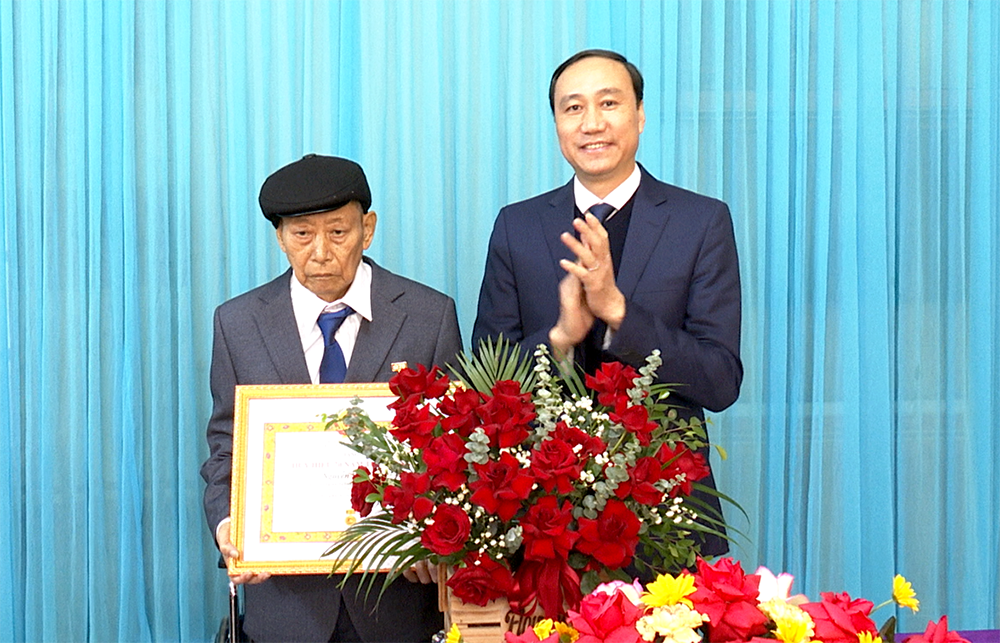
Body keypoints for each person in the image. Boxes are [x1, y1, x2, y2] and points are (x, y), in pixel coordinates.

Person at [472, 50, 742, 557]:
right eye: (572, 108)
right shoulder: (517, 226)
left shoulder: (700, 222)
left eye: (609, 103)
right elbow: (486, 390)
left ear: (640, 115)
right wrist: (560, 337)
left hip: (666, 512)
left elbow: (720, 380)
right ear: (556, 124)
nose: (591, 123)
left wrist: (619, 312)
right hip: (543, 520)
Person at [200, 154, 462, 643]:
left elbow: (453, 448)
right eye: (302, 234)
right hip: (286, 610)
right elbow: (225, 449)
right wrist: (231, 525)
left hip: (397, 604)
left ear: (368, 228)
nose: (320, 251)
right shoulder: (237, 323)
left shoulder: (430, 316)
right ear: (280, 237)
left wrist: (434, 541)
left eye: (338, 233)